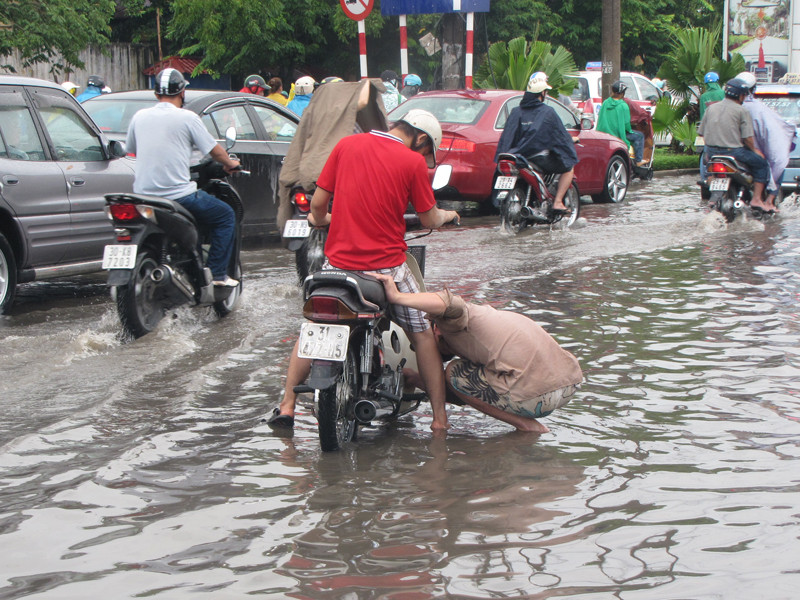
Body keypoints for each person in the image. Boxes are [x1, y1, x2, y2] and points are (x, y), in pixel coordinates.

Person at [268, 109, 460, 432]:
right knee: (423, 333)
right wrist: (448, 215)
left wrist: (322, 220)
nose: (424, 159)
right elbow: (428, 219)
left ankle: (287, 405)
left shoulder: (347, 145)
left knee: (313, 328)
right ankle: (440, 421)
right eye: (427, 153)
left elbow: (317, 207)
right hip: (388, 269)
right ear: (422, 139)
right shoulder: (411, 162)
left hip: (337, 266)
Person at [370, 275, 584, 433]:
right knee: (464, 378)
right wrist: (415, 379)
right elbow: (469, 397)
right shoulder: (489, 320)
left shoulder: (455, 322)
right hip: (569, 384)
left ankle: (527, 426)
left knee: (454, 373)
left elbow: (450, 303)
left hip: (537, 394)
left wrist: (398, 297)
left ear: (435, 329)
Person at [126, 68, 241, 286]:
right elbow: (214, 151)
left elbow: (131, 149)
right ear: (182, 93)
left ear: (156, 93)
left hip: (142, 197)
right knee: (225, 216)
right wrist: (230, 163)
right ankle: (217, 275)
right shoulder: (187, 117)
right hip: (178, 196)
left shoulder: (139, 117)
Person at [494, 71, 579, 214]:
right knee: (569, 167)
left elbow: (507, 137)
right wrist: (571, 140)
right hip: (538, 158)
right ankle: (558, 202)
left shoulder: (516, 111)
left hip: (517, 156)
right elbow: (560, 137)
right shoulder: (548, 112)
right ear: (542, 93)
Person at [697, 77, 773, 213]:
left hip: (712, 153)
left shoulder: (711, 108)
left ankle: (709, 186)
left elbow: (701, 133)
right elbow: (747, 138)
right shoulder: (741, 111)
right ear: (741, 95)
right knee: (762, 164)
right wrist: (756, 151)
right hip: (734, 152)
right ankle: (756, 199)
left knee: (707, 171)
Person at [737, 71, 794, 211]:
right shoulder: (758, 108)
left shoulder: (726, 105)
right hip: (748, 151)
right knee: (775, 162)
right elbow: (772, 133)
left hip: (724, 150)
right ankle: (768, 201)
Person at [596, 80, 647, 167]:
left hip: (603, 134)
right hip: (618, 135)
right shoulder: (623, 106)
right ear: (622, 93)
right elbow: (627, 125)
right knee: (640, 136)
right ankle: (638, 160)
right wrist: (630, 130)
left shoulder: (605, 103)